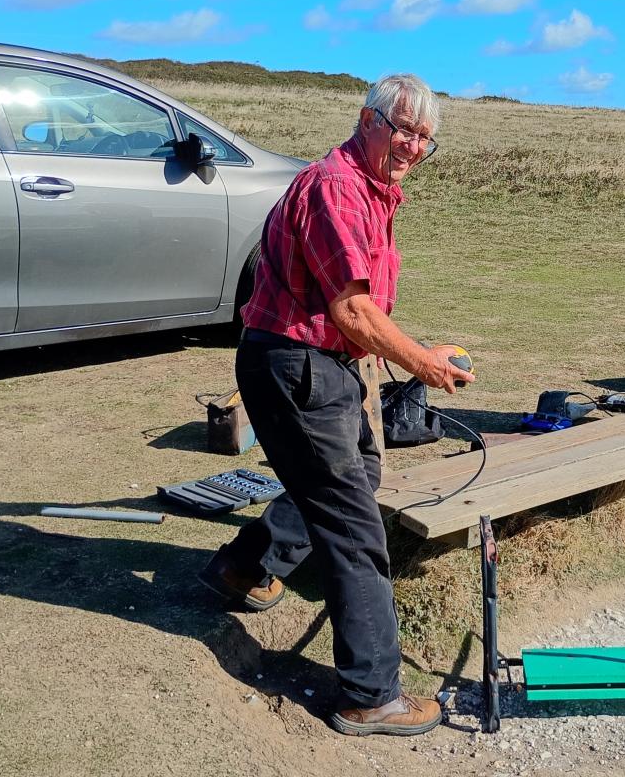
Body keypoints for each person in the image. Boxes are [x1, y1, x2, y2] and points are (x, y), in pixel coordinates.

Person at [197, 74, 474, 737]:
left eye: (425, 139)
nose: (412, 147)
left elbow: (358, 311)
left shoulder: (371, 189)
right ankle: (370, 695)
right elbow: (351, 310)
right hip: (298, 366)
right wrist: (423, 364)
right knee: (353, 525)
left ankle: (243, 567)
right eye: (403, 130)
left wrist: (406, 352)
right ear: (368, 120)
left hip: (317, 362)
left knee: (354, 476)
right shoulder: (337, 188)